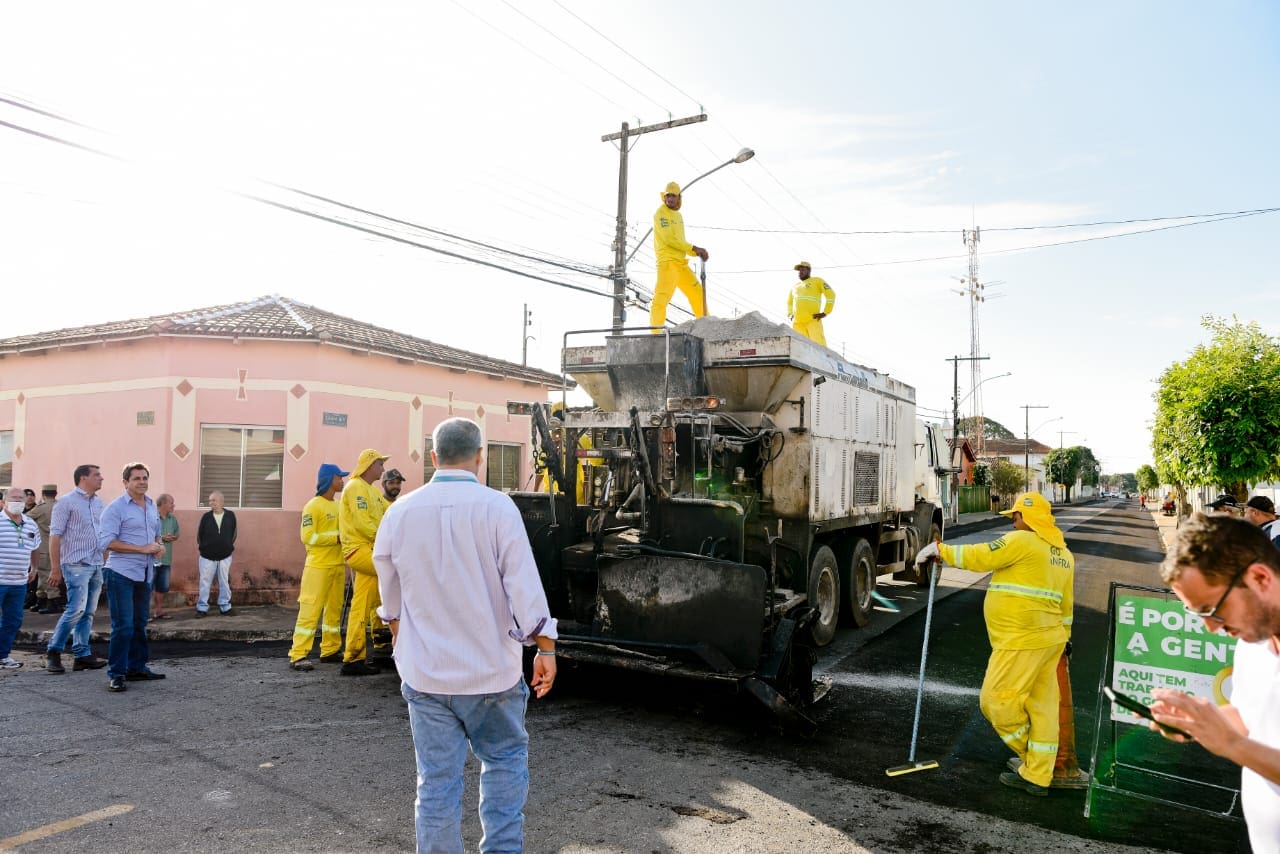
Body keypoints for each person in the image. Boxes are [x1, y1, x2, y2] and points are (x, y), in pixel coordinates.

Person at [374, 417, 557, 852]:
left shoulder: (399, 512)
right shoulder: (498, 508)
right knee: (504, 763)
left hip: (426, 676)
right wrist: (545, 648)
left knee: (435, 783)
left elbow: (390, 597)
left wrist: (404, 644)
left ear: (433, 457)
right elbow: (524, 588)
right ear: (481, 457)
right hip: (491, 672)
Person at [914, 491, 1074, 796]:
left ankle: (1030, 757)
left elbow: (981, 555)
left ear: (1026, 517)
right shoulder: (1064, 555)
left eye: (1015, 517)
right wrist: (1066, 639)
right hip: (1050, 640)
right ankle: (1039, 773)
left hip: (1021, 640)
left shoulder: (1021, 542)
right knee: (1042, 708)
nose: (1013, 523)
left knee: (995, 702)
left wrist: (941, 551)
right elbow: (1066, 605)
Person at [1148, 514, 1280, 852]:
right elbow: (1253, 721)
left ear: (1260, 578)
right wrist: (1198, 720)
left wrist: (1230, 745)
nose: (1211, 627)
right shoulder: (1252, 645)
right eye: (1199, 614)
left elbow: (1239, 742)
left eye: (1213, 609)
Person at [100, 462, 166, 692]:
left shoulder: (150, 505)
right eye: (136, 478)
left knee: (139, 624)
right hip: (120, 573)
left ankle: (137, 667)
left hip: (145, 573)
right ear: (125, 482)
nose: (142, 482)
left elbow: (156, 535)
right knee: (123, 626)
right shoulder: (115, 508)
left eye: (145, 477)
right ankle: (117, 673)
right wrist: (142, 549)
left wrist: (159, 546)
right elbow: (106, 542)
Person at [46, 464, 108, 674]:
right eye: (97, 475)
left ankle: (82, 654)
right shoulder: (66, 502)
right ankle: (53, 651)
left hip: (96, 563)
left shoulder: (99, 503)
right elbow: (54, 536)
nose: (101, 478)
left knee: (89, 612)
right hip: (75, 564)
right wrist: (55, 568)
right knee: (76, 609)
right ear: (83, 478)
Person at [288, 463, 350, 672]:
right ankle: (298, 654)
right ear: (330, 480)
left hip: (337, 566)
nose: (342, 481)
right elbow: (307, 536)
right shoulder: (312, 506)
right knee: (310, 609)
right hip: (318, 567)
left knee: (334, 610)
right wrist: (337, 538)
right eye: (339, 478)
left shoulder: (339, 505)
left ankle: (330, 649)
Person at [339, 448, 391, 676]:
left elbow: (390, 512)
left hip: (370, 550)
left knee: (362, 604)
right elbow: (362, 524)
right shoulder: (355, 488)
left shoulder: (372, 491)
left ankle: (355, 656)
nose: (383, 469)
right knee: (398, 571)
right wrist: (389, 541)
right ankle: (381, 642)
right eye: (380, 464)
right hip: (360, 551)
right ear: (370, 465)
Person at [649, 181, 709, 331]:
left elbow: (680, 242)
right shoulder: (660, 214)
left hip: (681, 264)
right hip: (668, 263)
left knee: (697, 293)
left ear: (679, 198)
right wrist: (694, 248)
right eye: (668, 196)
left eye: (673, 196)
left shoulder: (678, 216)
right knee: (661, 299)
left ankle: (707, 327)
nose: (670, 199)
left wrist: (695, 252)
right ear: (664, 197)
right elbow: (669, 239)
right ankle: (655, 335)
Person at [1, 486, 41, 668]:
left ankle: (3, 655)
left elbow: (35, 548)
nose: (17, 501)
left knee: (13, 620)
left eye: (20, 498)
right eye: (13, 498)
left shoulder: (31, 524)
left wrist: (34, 569)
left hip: (19, 582)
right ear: (3, 502)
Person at [196, 491, 237, 616]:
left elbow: (233, 534)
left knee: (224, 581)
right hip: (207, 556)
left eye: (214, 500)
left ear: (221, 501)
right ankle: (202, 608)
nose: (211, 503)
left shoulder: (230, 515)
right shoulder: (206, 517)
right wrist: (204, 547)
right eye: (210, 500)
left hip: (225, 556)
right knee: (205, 581)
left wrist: (227, 546)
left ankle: (225, 606)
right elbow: (199, 535)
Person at [786, 262, 837, 346]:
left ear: (809, 270)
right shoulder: (795, 286)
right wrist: (790, 314)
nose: (800, 272)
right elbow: (789, 302)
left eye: (802, 269)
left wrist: (825, 312)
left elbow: (831, 294)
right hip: (797, 323)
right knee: (801, 347)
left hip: (812, 320)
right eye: (799, 270)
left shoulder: (817, 281)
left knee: (819, 346)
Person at [27, 483, 58, 613]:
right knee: (44, 574)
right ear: (55, 494)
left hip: (44, 546)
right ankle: (42, 600)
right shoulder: (60, 506)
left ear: (43, 494)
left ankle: (51, 602)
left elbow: (24, 518)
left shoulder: (41, 508)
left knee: (45, 575)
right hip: (57, 546)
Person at [151, 494, 180, 620]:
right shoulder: (151, 517)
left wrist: (173, 537)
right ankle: (144, 614)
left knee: (162, 586)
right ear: (163, 504)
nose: (173, 505)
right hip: (151, 559)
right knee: (147, 586)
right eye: (171, 503)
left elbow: (177, 533)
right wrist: (162, 538)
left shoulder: (172, 519)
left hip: (166, 558)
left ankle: (159, 611)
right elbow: (145, 535)